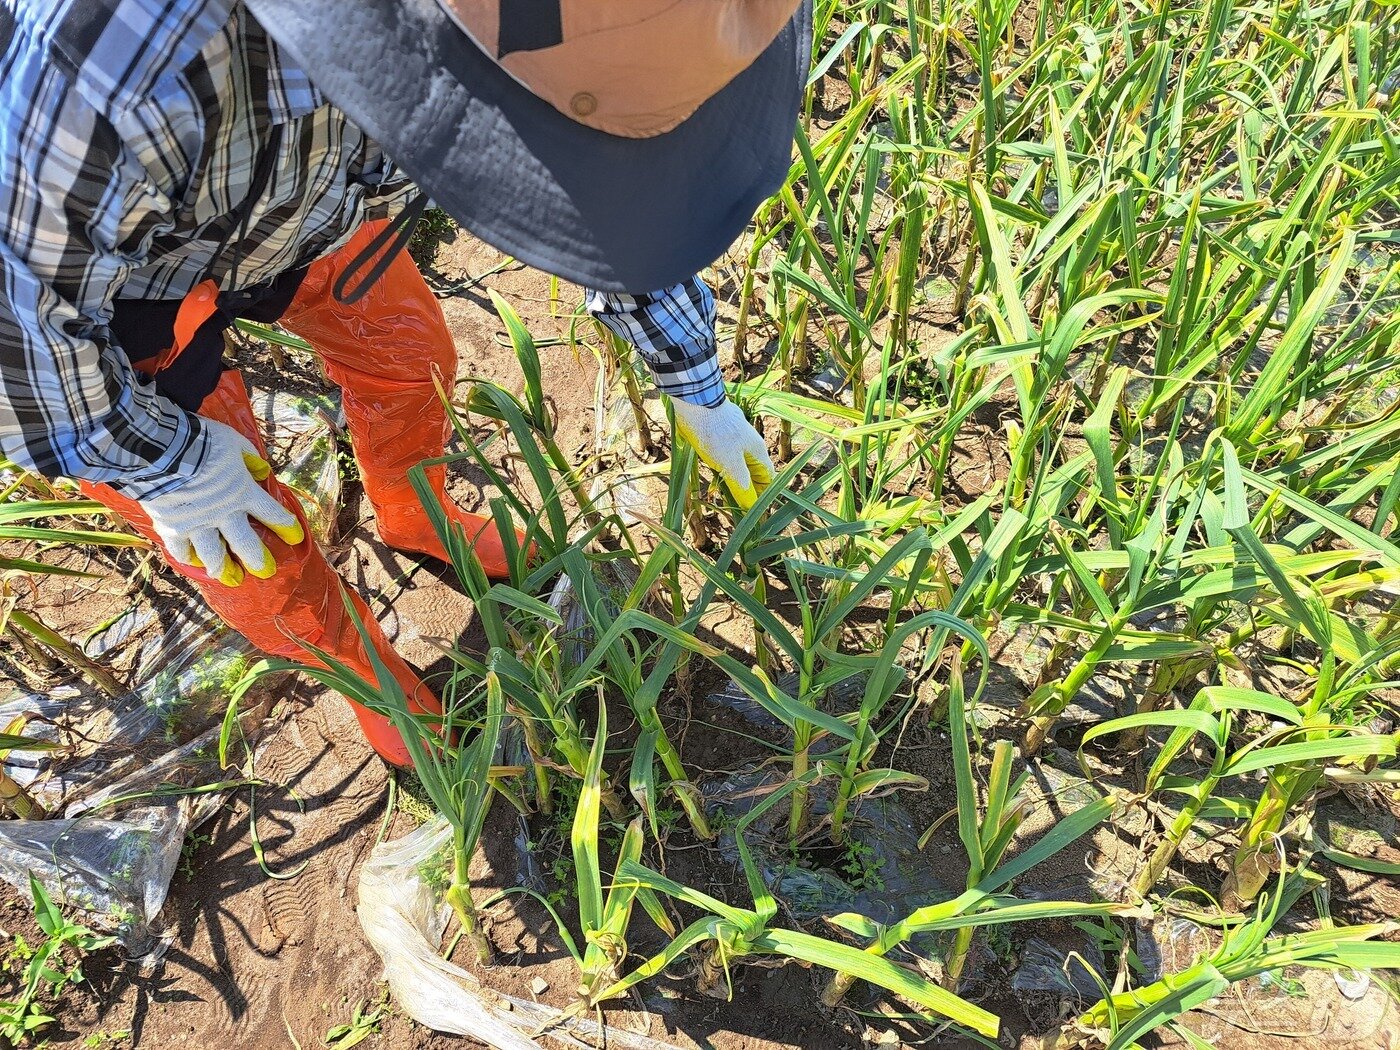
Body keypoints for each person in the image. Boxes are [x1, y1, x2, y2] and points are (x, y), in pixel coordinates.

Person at [0, 0, 808, 765]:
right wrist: (165, 469)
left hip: (311, 197)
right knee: (246, 541)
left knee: (408, 355)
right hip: (90, 292)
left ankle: (416, 511)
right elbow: (17, 329)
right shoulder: (110, 70)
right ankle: (362, 673)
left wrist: (692, 379)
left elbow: (619, 164)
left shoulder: (586, 36)